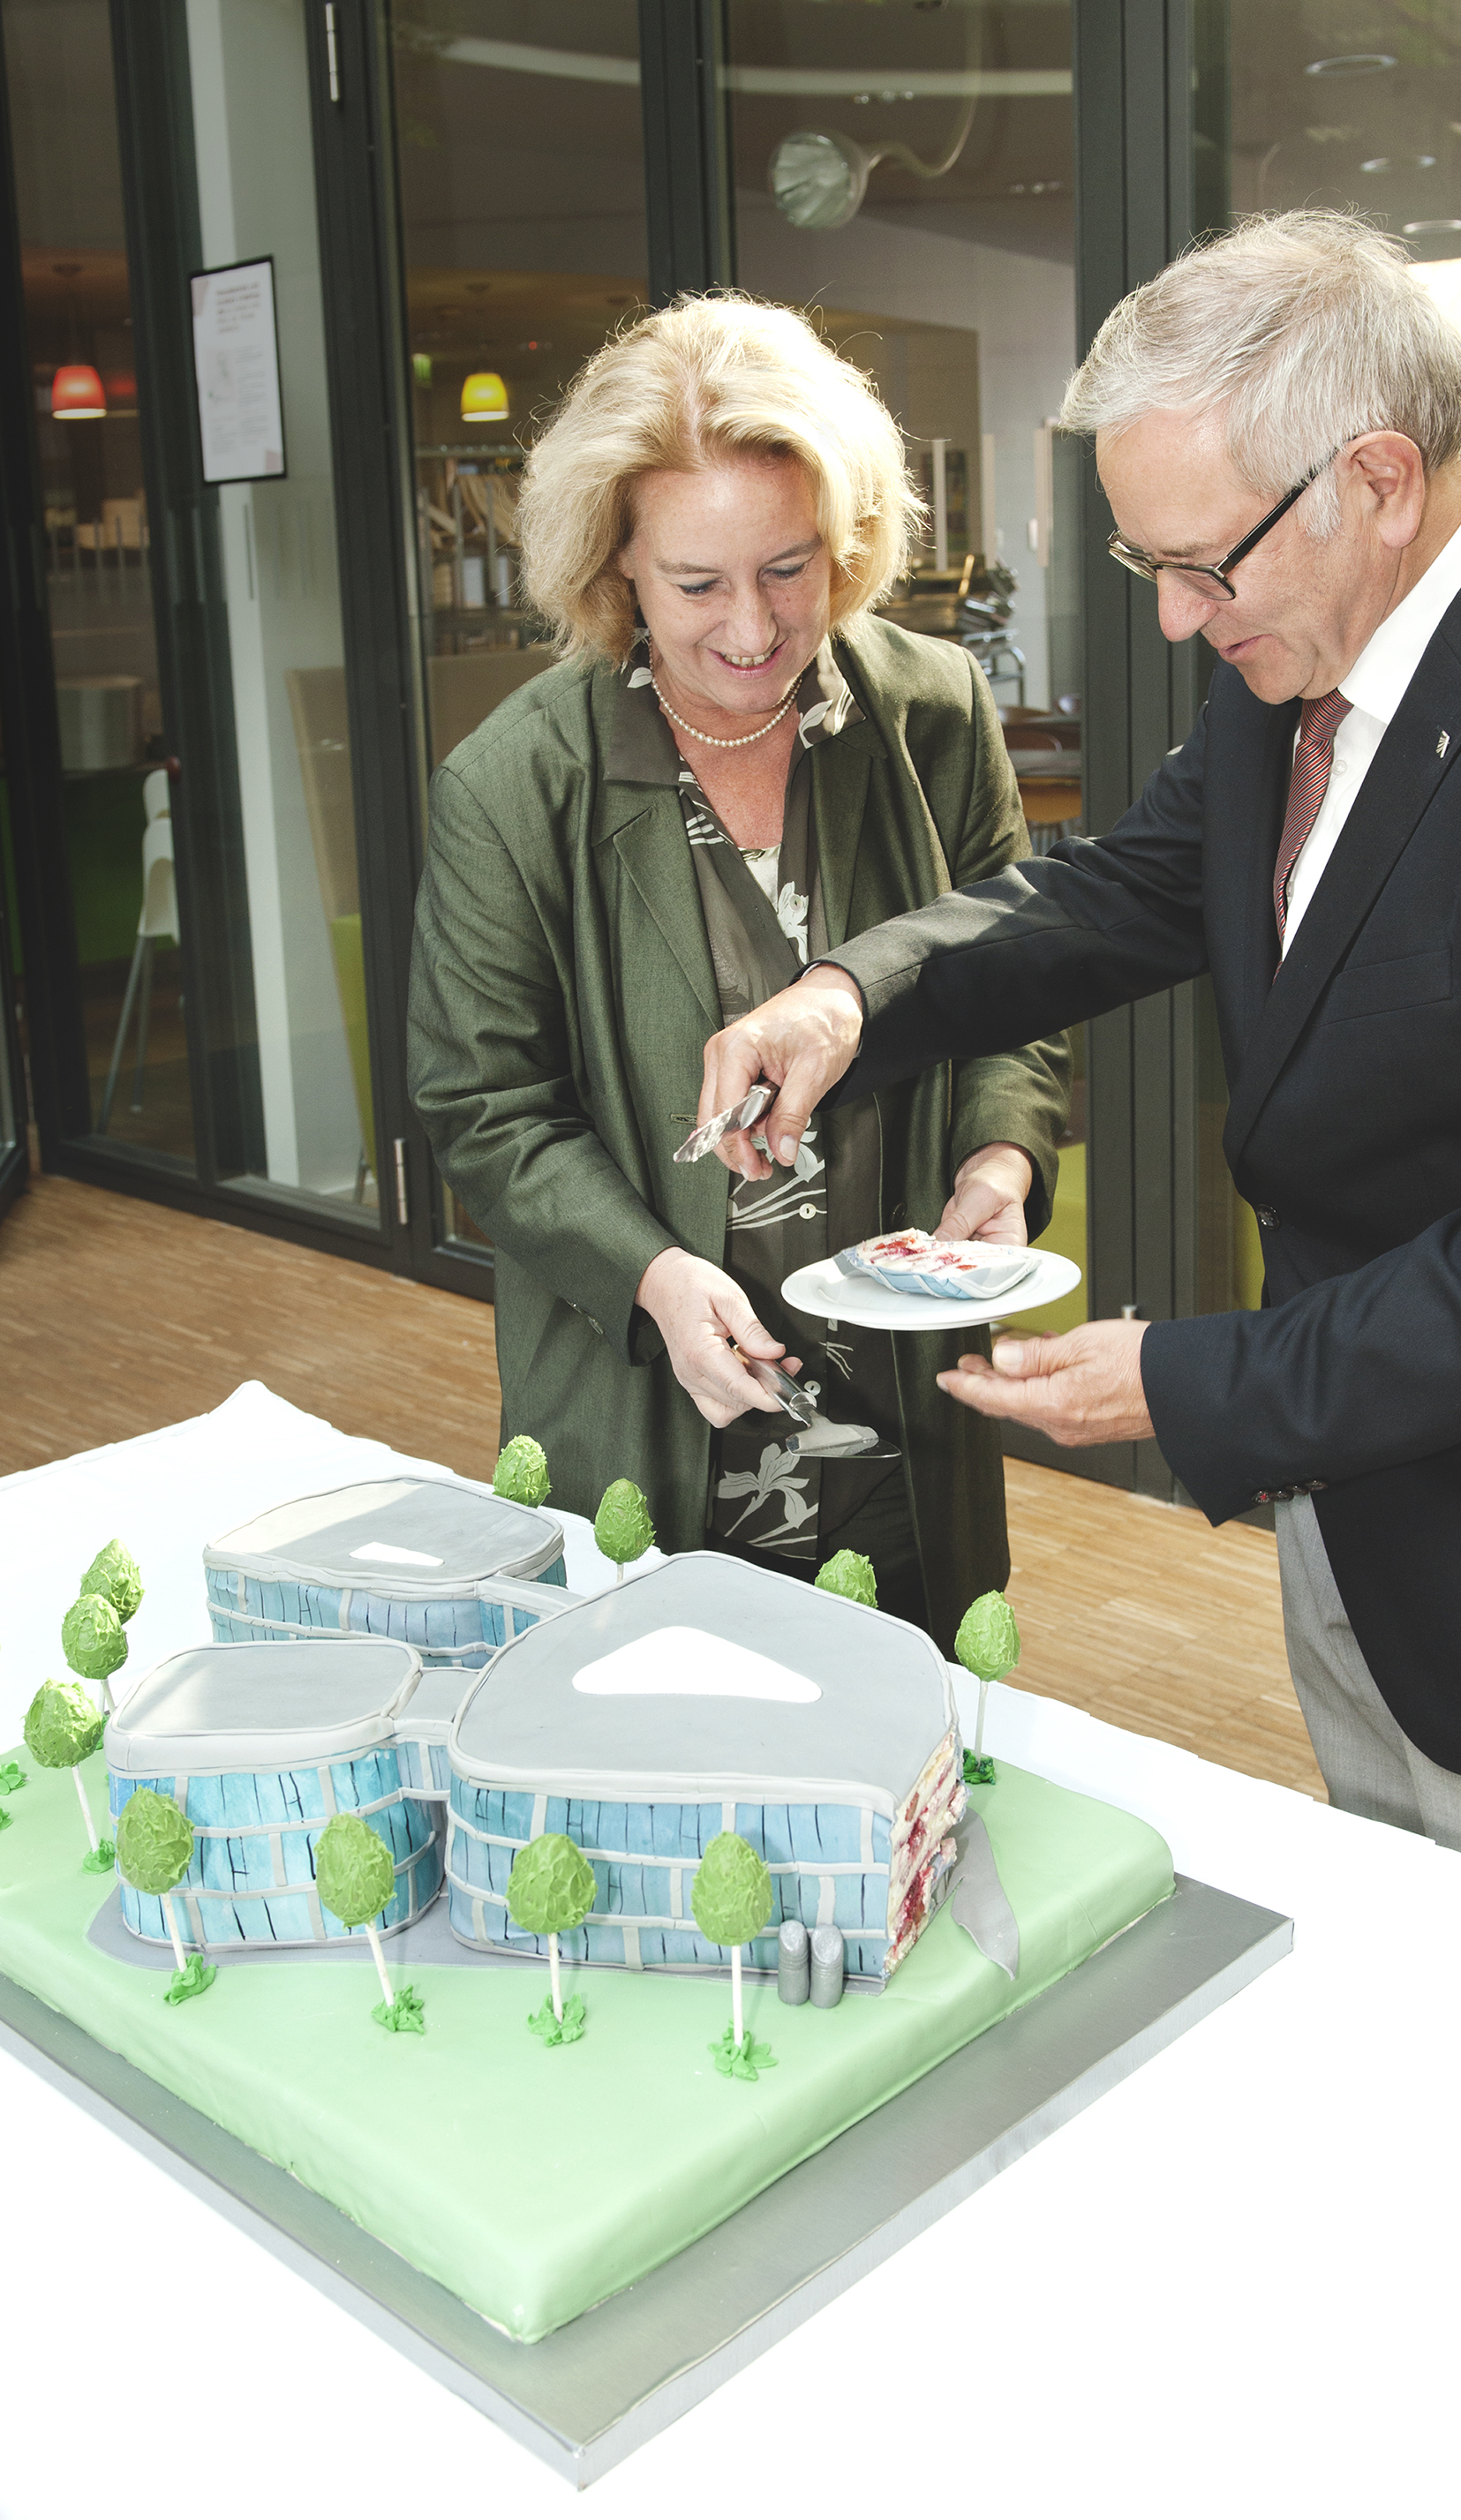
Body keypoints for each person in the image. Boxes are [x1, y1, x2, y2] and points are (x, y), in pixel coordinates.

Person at [693, 210, 1461, 1961]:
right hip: (1370, 1538)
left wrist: (1180, 1382)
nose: (1183, 622)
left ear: (1377, 477)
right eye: (1150, 575)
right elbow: (1125, 882)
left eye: (1203, 568)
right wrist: (848, 996)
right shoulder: (1315, 634)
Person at [407, 294, 1069, 1649]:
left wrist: (1001, 1166)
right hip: (658, 1398)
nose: (755, 628)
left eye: (788, 568)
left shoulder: (933, 715)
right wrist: (651, 1274)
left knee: (911, 1769)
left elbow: (1017, 986)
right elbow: (486, 1110)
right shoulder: (513, 787)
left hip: (901, 1401)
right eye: (697, 584)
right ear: (616, 573)